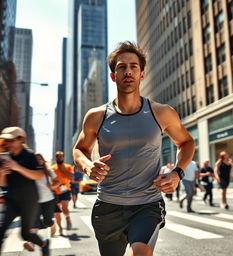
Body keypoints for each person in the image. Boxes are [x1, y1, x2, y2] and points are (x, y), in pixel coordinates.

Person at [73, 41, 195, 256]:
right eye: (121, 67)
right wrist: (88, 166)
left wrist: (177, 172)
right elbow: (79, 150)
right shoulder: (96, 116)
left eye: (133, 66)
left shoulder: (162, 112)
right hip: (108, 206)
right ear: (113, 76)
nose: (128, 71)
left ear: (141, 74)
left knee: (141, 253)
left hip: (147, 204)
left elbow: (186, 142)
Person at [0, 127, 50, 256]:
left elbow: (39, 175)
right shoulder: (6, 157)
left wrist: (17, 167)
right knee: (1, 230)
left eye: (11, 140)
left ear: (21, 140)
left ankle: (44, 244)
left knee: (25, 234)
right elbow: (2, 183)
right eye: (7, 141)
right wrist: (2, 174)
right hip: (11, 200)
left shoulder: (30, 156)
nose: (8, 144)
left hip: (29, 201)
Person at [23, 153, 59, 251]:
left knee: (47, 221)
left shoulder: (48, 171)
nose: (39, 161)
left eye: (40, 159)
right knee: (34, 223)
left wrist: (52, 186)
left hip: (48, 200)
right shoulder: (30, 171)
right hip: (34, 201)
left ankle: (53, 224)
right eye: (36, 159)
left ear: (43, 160)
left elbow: (57, 181)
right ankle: (31, 243)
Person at [51, 151, 73, 233]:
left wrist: (64, 171)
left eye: (61, 156)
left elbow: (71, 177)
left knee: (64, 208)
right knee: (57, 212)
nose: (59, 158)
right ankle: (60, 227)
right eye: (57, 156)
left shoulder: (68, 167)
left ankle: (67, 217)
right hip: (55, 191)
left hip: (65, 190)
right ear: (56, 158)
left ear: (63, 157)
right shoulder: (52, 168)